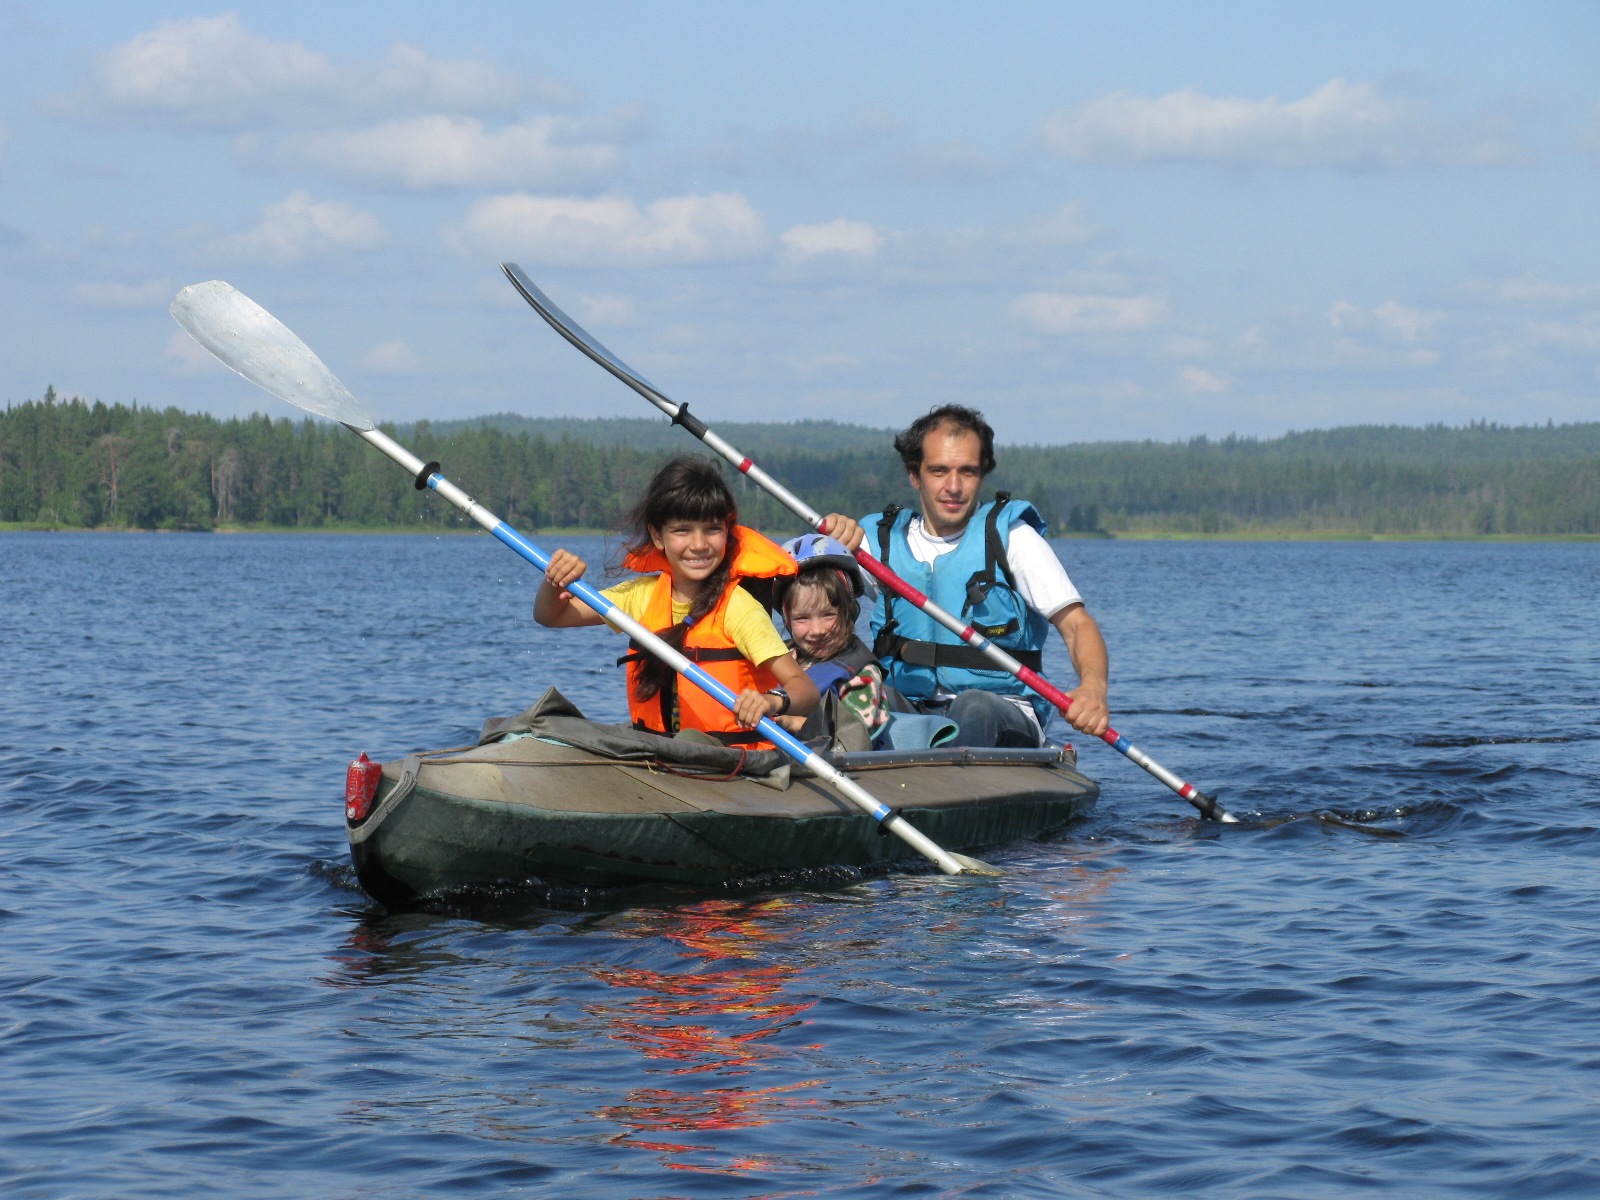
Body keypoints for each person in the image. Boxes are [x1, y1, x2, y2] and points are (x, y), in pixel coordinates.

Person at [822, 404, 1110, 749]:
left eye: (968, 472)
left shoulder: (1013, 538)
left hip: (1001, 711)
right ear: (915, 475)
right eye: (939, 471)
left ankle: (951, 774)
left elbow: (1077, 625)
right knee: (847, 694)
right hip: (912, 712)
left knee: (973, 706)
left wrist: (1093, 688)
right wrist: (828, 544)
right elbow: (800, 594)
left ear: (982, 476)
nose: (954, 486)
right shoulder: (875, 544)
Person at [534, 456, 820, 747]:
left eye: (712, 529)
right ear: (657, 535)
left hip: (730, 761)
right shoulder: (640, 596)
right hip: (660, 754)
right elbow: (552, 616)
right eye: (682, 530)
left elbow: (805, 690)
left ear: (727, 531)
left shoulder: (739, 609)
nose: (699, 545)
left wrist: (771, 701)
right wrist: (555, 581)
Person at [770, 533, 890, 743]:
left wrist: (790, 722)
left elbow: (853, 736)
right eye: (802, 618)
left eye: (828, 615)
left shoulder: (862, 674)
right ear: (787, 619)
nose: (816, 630)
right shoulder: (783, 658)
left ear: (848, 610)